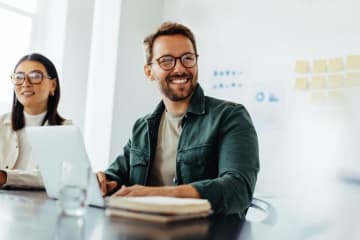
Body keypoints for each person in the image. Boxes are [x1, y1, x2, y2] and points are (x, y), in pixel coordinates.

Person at [96, 22, 259, 216]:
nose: (180, 68)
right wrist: (103, 181)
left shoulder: (230, 116)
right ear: (149, 72)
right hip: (143, 230)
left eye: (187, 58)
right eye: (166, 61)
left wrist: (161, 194)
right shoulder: (143, 127)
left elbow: (238, 189)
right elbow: (119, 174)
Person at [0, 53, 71, 188]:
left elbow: (54, 176)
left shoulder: (65, 130)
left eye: (35, 76)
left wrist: (5, 177)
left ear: (53, 85)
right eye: (19, 77)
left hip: (39, 206)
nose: (26, 83)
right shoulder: (1, 124)